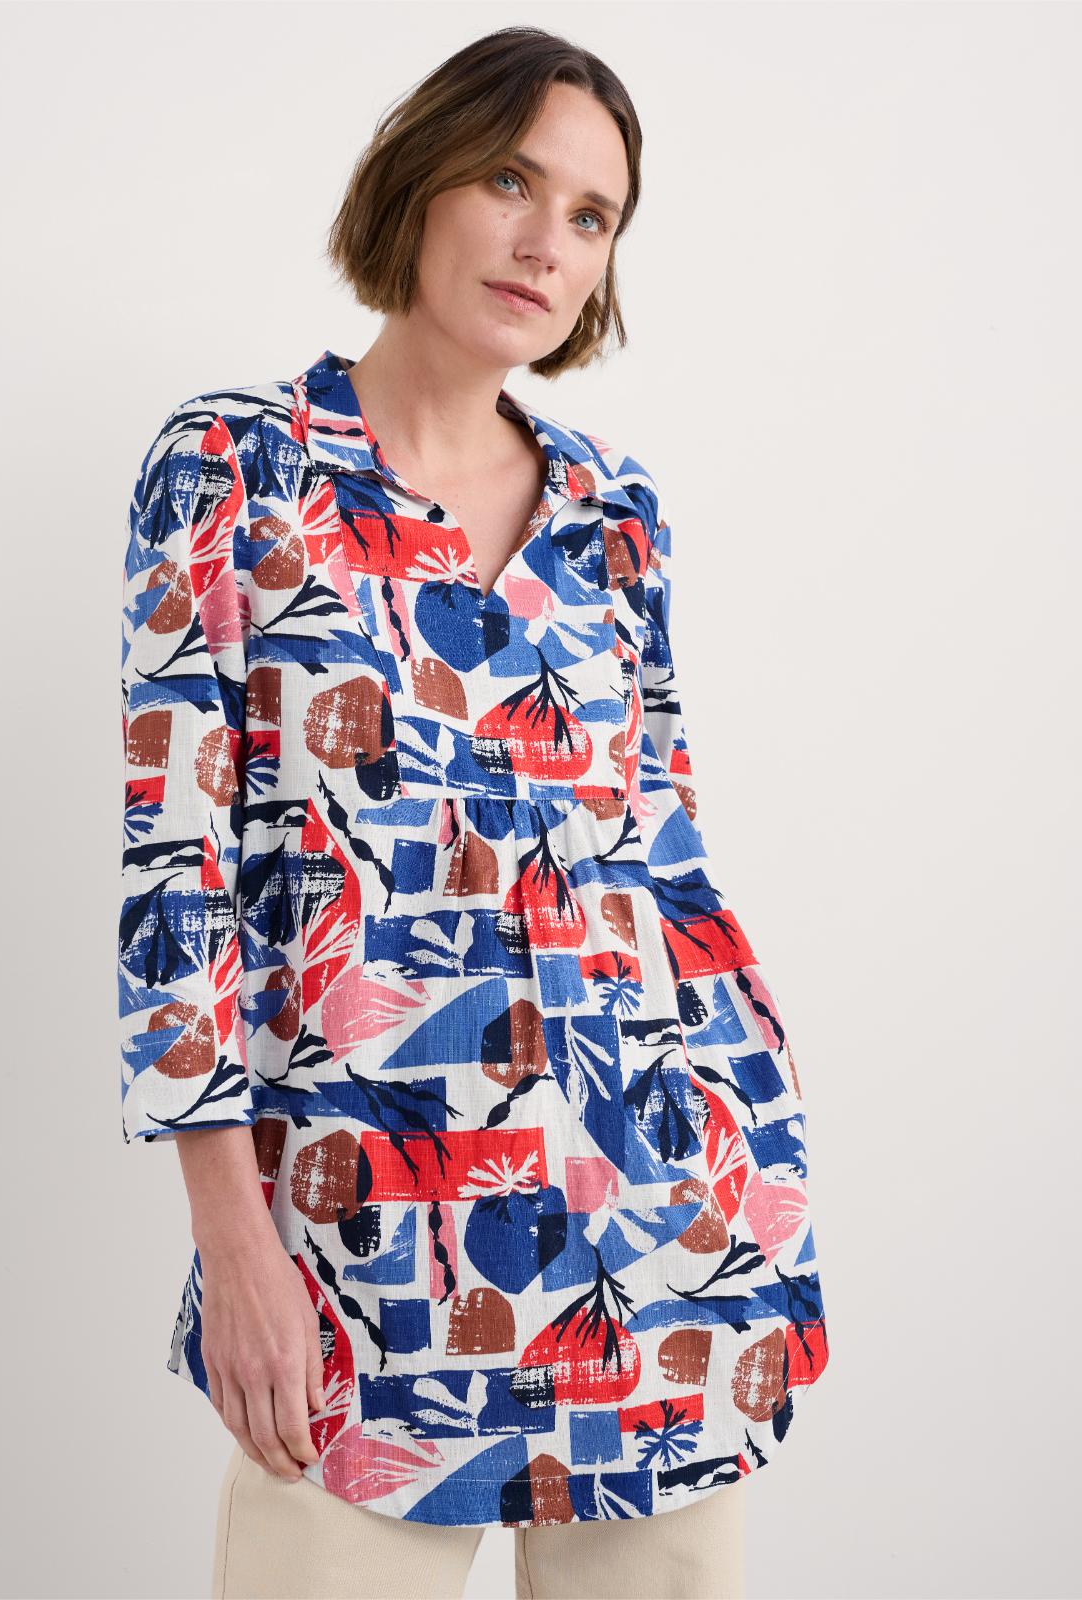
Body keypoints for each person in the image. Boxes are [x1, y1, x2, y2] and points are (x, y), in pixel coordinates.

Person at [117, 25, 830, 1600]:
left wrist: (762, 1167)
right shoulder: (234, 469)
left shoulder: (614, 512)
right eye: (513, 179)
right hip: (363, 1260)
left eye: (592, 215)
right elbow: (177, 876)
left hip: (659, 1237)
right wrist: (235, 1243)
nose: (546, 241)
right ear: (420, 176)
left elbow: (666, 858)